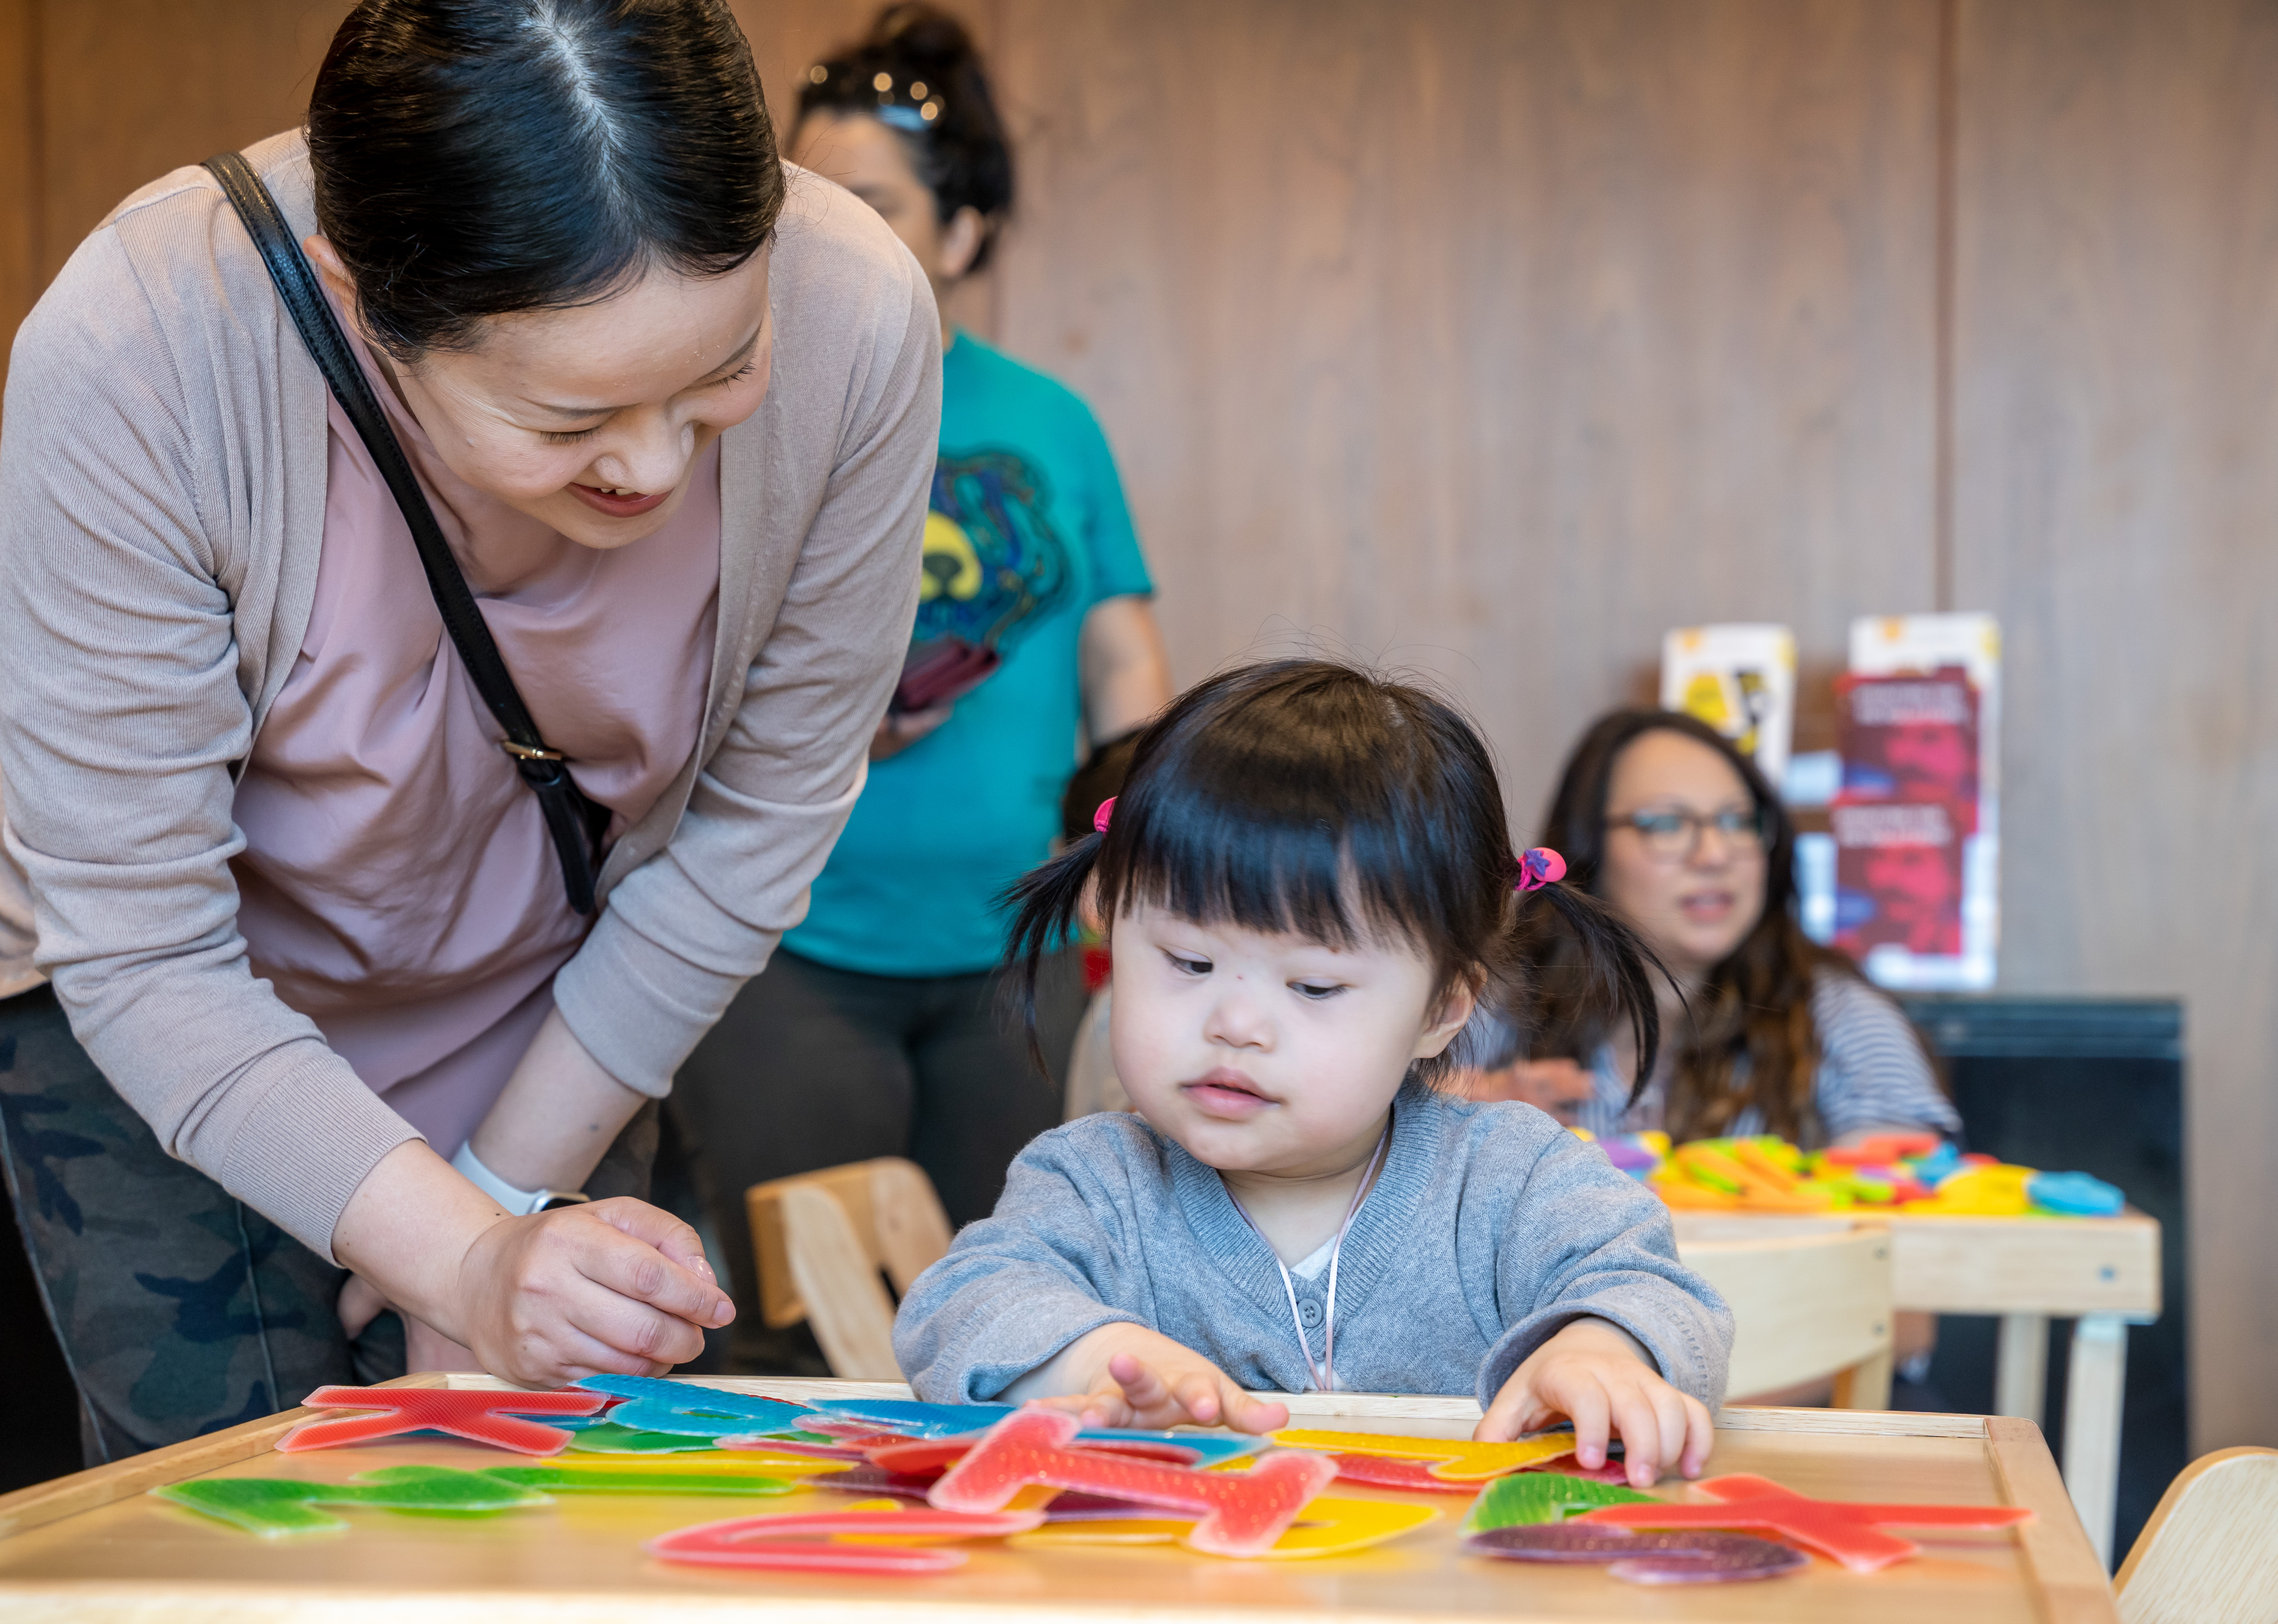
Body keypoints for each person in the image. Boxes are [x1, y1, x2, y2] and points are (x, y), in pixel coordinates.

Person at [0, 0, 940, 1460]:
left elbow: (752, 828)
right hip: (168, 978)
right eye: (571, 415)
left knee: (561, 1479)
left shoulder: (859, 312)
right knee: (254, 1500)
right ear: (356, 303)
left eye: (720, 375)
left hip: (553, 976)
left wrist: (500, 1218)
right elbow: (144, 944)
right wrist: (456, 1258)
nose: (651, 463)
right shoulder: (144, 337)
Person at [892, 661, 1732, 1488]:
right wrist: (1089, 1361)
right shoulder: (1094, 1182)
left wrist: (1601, 1348)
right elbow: (962, 1302)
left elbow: (1657, 1287)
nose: (1235, 1023)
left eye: (1313, 985)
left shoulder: (1514, 1177)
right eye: (1188, 960)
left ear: (1443, 1006)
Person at [665, 4, 1170, 1371]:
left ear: (960, 233)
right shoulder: (729, 409)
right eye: (805, 204)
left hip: (1025, 954)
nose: (833, 235)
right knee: (799, 1335)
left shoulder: (1052, 423)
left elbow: (1125, 664)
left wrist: (1150, 867)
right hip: (784, 946)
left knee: (1029, 1322)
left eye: (876, 205)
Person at [1484, 711, 1961, 1148]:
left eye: (1737, 821)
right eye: (1667, 823)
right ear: (1587, 847)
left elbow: (1908, 1196)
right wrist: (1462, 1111)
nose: (1715, 855)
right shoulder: (1493, 999)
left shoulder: (1839, 1016)